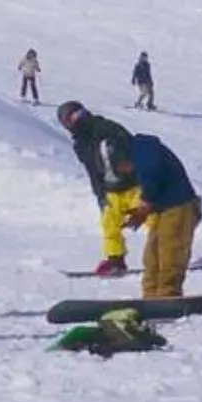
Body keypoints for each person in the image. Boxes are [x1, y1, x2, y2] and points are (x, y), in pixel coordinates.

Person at [111, 132, 201, 299]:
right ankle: (151, 295)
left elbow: (152, 176)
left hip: (179, 205)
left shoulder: (143, 149)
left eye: (124, 169)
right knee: (152, 256)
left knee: (170, 253)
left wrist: (145, 204)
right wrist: (142, 210)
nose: (127, 173)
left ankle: (168, 295)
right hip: (163, 208)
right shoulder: (141, 153)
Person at [57, 102, 140, 275]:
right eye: (69, 121)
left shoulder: (105, 128)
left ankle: (172, 253)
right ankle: (115, 260)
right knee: (110, 224)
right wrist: (100, 193)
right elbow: (92, 169)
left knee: (153, 218)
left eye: (76, 116)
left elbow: (134, 148)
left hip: (134, 184)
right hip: (111, 190)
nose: (74, 122)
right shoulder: (80, 144)